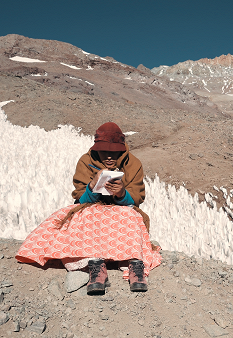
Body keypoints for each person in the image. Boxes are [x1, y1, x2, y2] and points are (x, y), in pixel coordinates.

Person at [16, 122, 162, 295]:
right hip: (93, 208)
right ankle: (96, 265)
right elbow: (80, 199)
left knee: (130, 216)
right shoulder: (86, 162)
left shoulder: (133, 164)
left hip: (121, 210)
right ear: (96, 149)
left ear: (122, 150)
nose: (109, 157)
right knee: (86, 215)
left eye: (114, 153)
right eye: (104, 152)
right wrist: (92, 187)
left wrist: (122, 193)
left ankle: (134, 264)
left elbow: (137, 199)